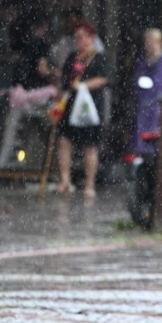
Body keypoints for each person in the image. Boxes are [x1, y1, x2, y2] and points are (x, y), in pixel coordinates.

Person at [55, 21, 108, 198]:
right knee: (64, 141)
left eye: (82, 36)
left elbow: (103, 79)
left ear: (90, 38)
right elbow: (64, 80)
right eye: (76, 37)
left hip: (89, 106)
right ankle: (65, 180)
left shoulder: (98, 58)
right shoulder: (71, 57)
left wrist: (84, 86)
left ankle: (89, 184)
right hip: (70, 104)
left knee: (89, 145)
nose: (78, 40)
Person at [131, 28, 162, 155]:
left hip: (160, 106)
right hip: (144, 105)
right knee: (141, 137)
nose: (148, 45)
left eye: (151, 42)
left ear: (159, 42)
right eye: (146, 42)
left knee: (158, 138)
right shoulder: (142, 61)